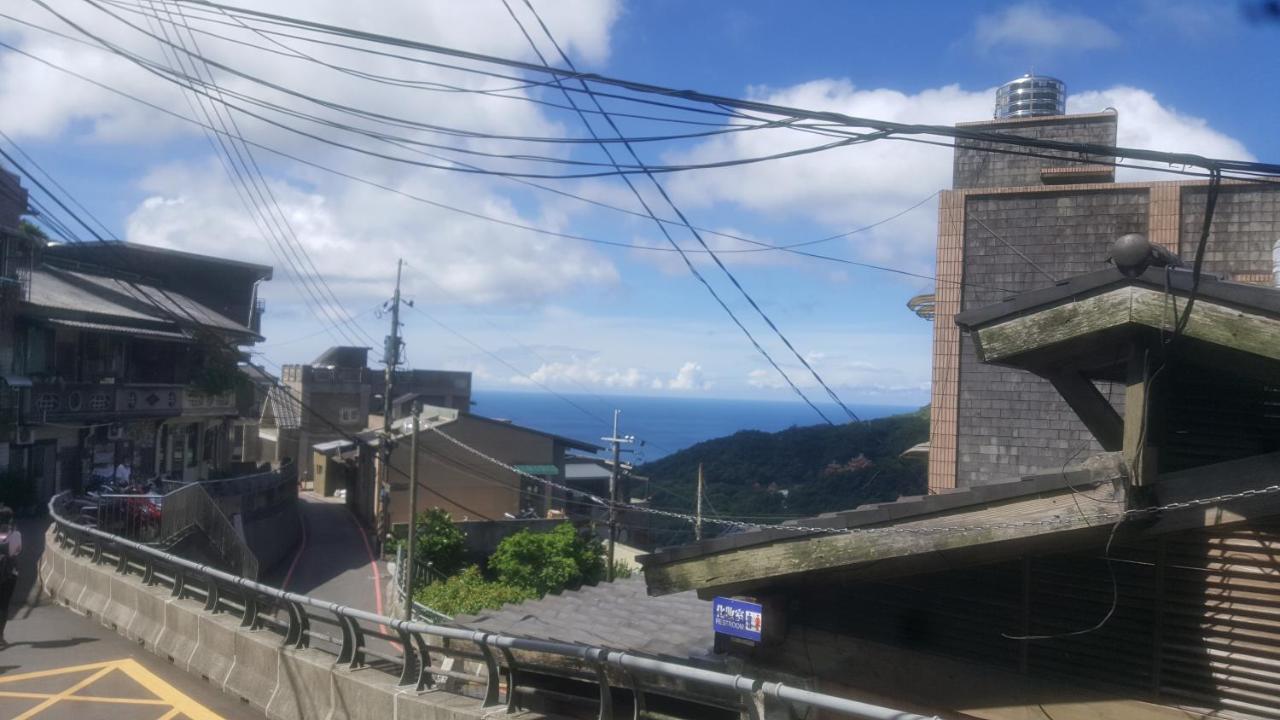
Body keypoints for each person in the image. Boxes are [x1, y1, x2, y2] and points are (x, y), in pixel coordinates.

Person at [0, 505, 21, 647]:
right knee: (4, 605)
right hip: (9, 573)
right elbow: (18, 550)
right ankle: (0, 635)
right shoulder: (16, 534)